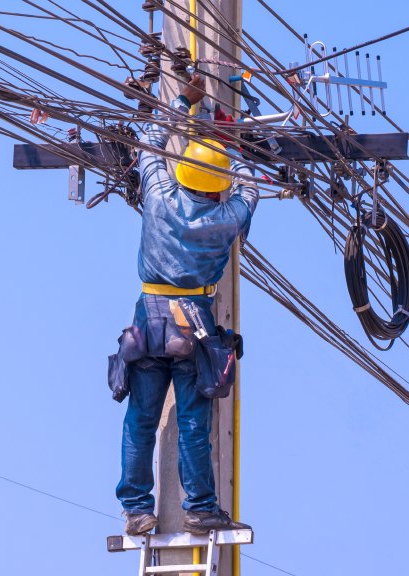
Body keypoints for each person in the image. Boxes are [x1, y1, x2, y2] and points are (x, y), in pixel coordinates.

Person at [111, 74, 258, 536]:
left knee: (141, 417)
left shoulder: (157, 194)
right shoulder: (226, 218)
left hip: (148, 316)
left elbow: (153, 140)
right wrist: (237, 138)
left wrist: (182, 100)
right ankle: (200, 508)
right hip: (193, 321)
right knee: (194, 420)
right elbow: (250, 189)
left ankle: (137, 509)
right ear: (218, 188)